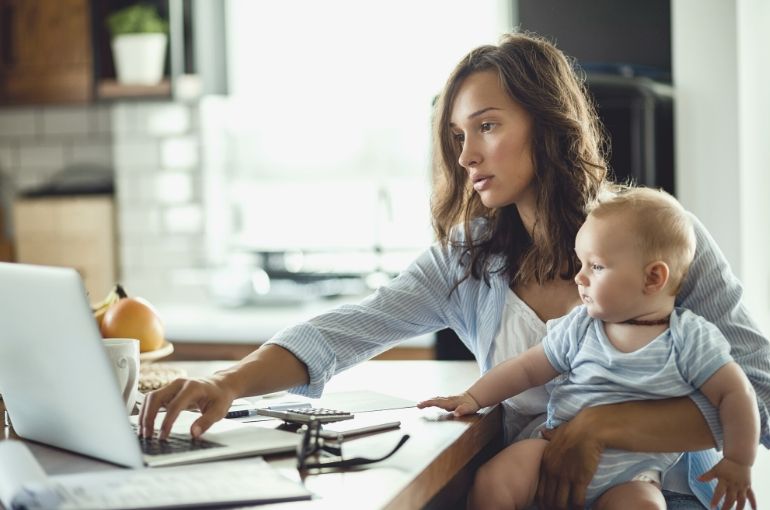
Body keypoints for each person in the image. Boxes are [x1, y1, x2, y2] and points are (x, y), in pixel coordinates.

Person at [139, 32, 770, 510]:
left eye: (487, 126)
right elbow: (346, 330)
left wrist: (603, 425)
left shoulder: (663, 240)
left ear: (547, 124)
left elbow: (760, 393)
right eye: (457, 135)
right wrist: (229, 381)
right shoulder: (469, 259)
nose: (466, 155)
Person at [418, 187, 759, 510]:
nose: (579, 278)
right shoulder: (581, 326)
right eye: (581, 264)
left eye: (595, 266)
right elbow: (525, 369)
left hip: (633, 476)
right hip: (552, 450)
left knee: (646, 505)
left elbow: (738, 394)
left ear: (653, 278)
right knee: (494, 479)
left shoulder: (690, 339)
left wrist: (738, 461)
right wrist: (473, 398)